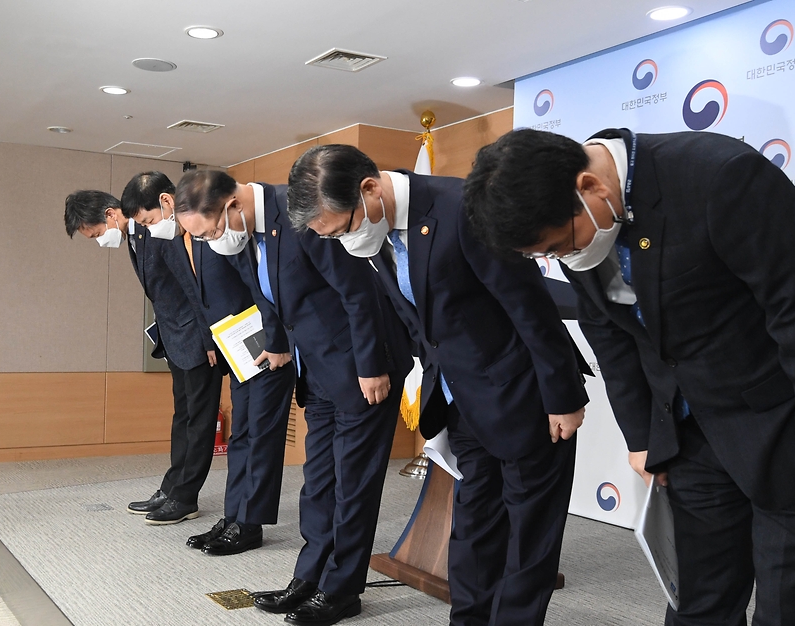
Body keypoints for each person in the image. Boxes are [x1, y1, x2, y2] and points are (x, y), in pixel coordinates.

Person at [462, 127, 795, 626]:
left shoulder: (721, 177)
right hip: (692, 433)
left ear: (591, 188)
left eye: (557, 247)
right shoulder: (576, 226)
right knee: (696, 602)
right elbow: (610, 332)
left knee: (790, 610)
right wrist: (642, 435)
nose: (558, 260)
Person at [286, 144, 589, 626]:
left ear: (369, 189)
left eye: (342, 227)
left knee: (529, 534)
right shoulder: (378, 230)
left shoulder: (461, 207)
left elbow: (529, 306)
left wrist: (564, 395)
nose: (344, 242)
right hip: (460, 397)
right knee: (473, 524)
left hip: (524, 392)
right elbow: (422, 322)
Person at [174, 170, 413, 625]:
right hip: (317, 368)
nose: (211, 243)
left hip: (361, 368)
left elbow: (358, 291)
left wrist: (371, 366)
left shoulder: (302, 208)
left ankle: (342, 591)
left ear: (231, 206)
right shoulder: (248, 231)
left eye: (210, 232)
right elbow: (265, 291)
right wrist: (278, 339)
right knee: (319, 480)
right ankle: (310, 577)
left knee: (353, 484)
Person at [121, 171, 294, 556]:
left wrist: (278, 339)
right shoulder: (193, 237)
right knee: (242, 436)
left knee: (260, 436)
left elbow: (262, 289)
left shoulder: (229, 231)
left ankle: (249, 523)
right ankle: (234, 516)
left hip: (263, 342)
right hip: (236, 346)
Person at [63, 190, 222, 525]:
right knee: (183, 416)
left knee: (201, 419)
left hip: (195, 336)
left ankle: (185, 497)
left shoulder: (157, 231)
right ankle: (172, 486)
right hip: (175, 337)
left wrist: (210, 339)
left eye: (94, 234)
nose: (98, 241)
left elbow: (193, 286)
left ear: (109, 214)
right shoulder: (134, 236)